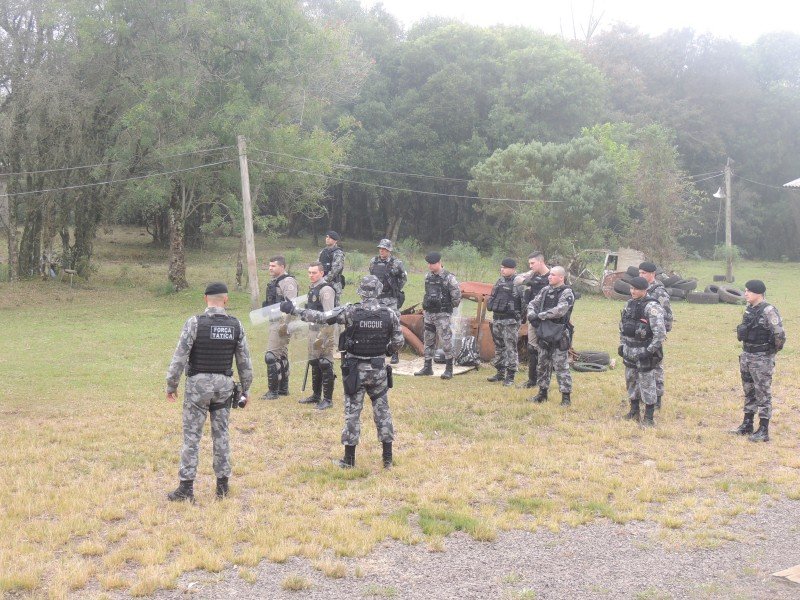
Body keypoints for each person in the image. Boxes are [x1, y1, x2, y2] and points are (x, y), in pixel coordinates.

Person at [281, 275, 404, 468]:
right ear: (378, 291)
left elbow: (322, 318)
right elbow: (398, 343)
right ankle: (387, 459)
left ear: (361, 292)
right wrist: (386, 351)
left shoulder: (351, 311)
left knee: (352, 414)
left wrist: (294, 310)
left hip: (355, 370)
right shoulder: (390, 314)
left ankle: (349, 460)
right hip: (379, 370)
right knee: (383, 413)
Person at [165, 282, 253, 503]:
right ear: (226, 300)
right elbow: (244, 362)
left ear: (205, 299)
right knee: (221, 435)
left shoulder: (195, 323)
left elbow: (180, 356)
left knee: (192, 437)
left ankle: (186, 488)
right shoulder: (236, 325)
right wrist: (245, 389)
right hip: (224, 386)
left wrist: (171, 385)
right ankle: (222, 485)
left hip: (197, 386)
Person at [730, 280, 785, 442]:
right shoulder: (750, 310)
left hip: (762, 358)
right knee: (749, 391)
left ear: (758, 293)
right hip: (747, 355)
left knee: (763, 393)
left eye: (749, 291)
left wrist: (769, 353)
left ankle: (763, 429)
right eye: (745, 290)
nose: (746, 293)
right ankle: (747, 424)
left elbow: (780, 335)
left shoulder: (769, 311)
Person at [618, 277, 666, 427]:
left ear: (645, 290)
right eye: (631, 288)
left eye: (636, 289)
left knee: (647, 383)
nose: (632, 291)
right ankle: (634, 411)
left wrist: (649, 351)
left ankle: (649, 417)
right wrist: (622, 345)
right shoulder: (629, 304)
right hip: (629, 349)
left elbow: (660, 334)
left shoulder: (652, 307)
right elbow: (623, 326)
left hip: (644, 351)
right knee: (631, 380)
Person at [528, 266, 575, 406]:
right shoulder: (545, 290)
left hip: (559, 332)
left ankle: (566, 397)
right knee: (542, 364)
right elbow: (532, 303)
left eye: (553, 275)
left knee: (561, 366)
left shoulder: (567, 293)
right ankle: (542, 393)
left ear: (561, 277)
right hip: (544, 332)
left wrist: (540, 316)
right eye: (550, 275)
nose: (549, 277)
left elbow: (560, 310)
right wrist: (531, 314)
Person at [414, 252, 461, 380]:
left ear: (439, 263)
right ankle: (427, 367)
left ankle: (449, 369)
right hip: (429, 313)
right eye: (428, 264)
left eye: (432, 264)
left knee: (446, 341)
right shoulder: (428, 277)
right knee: (428, 340)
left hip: (443, 314)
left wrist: (446, 308)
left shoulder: (449, 278)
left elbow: (456, 297)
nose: (430, 266)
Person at [300, 262, 337, 410]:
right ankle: (316, 395)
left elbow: (329, 315)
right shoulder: (313, 289)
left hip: (324, 331)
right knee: (314, 362)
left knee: (325, 363)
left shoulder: (326, 289)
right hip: (312, 329)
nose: (311, 275)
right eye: (309, 272)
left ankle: (327, 399)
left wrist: (323, 335)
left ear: (322, 273)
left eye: (314, 272)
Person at [261, 256, 299, 400]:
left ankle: (273, 392)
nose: (270, 268)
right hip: (274, 321)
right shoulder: (275, 282)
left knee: (271, 356)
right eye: (269, 265)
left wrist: (284, 325)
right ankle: (283, 388)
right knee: (281, 356)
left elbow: (291, 305)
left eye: (273, 266)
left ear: (282, 266)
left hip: (282, 323)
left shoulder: (288, 282)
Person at [638, 261, 673, 409]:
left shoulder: (658, 291)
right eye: (639, 273)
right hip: (641, 334)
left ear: (652, 274)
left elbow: (666, 315)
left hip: (654, 334)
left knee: (656, 365)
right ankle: (644, 395)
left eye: (644, 273)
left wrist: (659, 334)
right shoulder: (641, 289)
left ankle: (657, 398)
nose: (641, 276)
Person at [369, 239, 408, 365]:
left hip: (391, 299)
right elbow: (371, 277)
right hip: (377, 299)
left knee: (393, 324)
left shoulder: (397, 263)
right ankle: (377, 351)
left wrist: (395, 289)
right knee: (375, 324)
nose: (381, 251)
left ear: (389, 250)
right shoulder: (373, 261)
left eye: (384, 249)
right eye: (380, 248)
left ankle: (394, 353)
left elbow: (403, 278)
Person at [486, 258, 522, 386]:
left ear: (513, 269)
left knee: (510, 348)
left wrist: (519, 318)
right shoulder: (499, 281)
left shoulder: (518, 283)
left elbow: (525, 303)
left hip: (511, 321)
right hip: (497, 319)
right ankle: (500, 373)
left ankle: (510, 376)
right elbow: (493, 297)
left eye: (505, 268)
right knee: (499, 347)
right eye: (501, 267)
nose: (502, 269)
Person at [517, 252, 550, 388]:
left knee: (546, 349)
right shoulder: (532, 274)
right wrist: (527, 278)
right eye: (529, 263)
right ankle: (532, 380)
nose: (530, 266)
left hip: (548, 319)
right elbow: (517, 279)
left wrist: (529, 281)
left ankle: (544, 381)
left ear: (541, 262)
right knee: (532, 348)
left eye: (532, 263)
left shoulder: (552, 276)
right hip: (533, 317)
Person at [318, 230, 345, 303]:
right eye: (326, 237)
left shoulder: (338, 253)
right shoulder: (322, 252)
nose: (327, 239)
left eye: (330, 238)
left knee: (333, 307)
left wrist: (322, 281)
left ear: (335, 240)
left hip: (334, 284)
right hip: (321, 282)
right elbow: (317, 267)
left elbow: (335, 271)